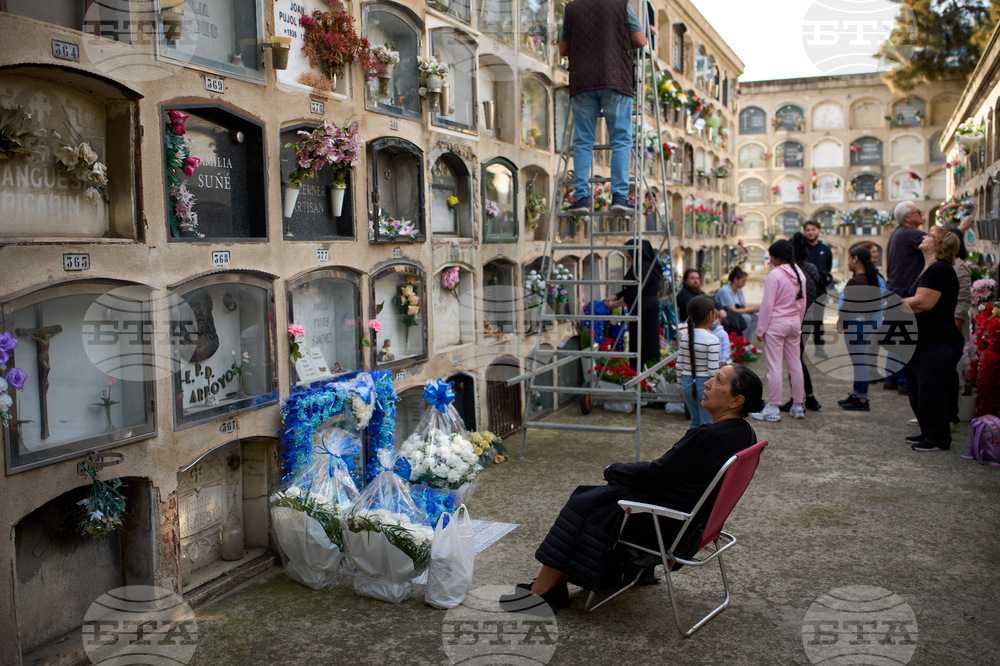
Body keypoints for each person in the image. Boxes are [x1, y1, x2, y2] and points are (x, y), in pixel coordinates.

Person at [499, 364, 765, 613]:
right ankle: (565, 579)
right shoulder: (744, 434)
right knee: (598, 498)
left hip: (667, 527)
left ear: (736, 400)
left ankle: (543, 592)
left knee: (585, 502)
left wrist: (612, 469)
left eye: (717, 381)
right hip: (695, 525)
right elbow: (666, 474)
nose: (706, 383)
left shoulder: (707, 437)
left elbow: (655, 474)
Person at [559, 0, 646, 216]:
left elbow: (562, 49)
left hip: (582, 82)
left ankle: (580, 198)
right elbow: (640, 40)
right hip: (615, 78)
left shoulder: (571, 8)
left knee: (583, 141)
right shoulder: (620, 4)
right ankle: (619, 197)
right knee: (620, 139)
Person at [901, 227, 963, 452]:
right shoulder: (929, 268)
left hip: (937, 342)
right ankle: (928, 432)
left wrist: (892, 304)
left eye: (930, 235)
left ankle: (938, 438)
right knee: (919, 391)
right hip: (923, 341)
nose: (924, 237)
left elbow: (922, 303)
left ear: (939, 244)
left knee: (931, 392)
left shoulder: (939, 269)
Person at [751, 240, 807, 422]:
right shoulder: (799, 273)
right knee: (795, 364)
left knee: (774, 366)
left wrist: (761, 329)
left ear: (775, 256)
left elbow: (767, 305)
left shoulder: (774, 275)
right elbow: (803, 303)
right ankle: (798, 405)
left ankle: (773, 407)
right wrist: (798, 322)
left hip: (776, 324)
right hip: (794, 323)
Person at [884, 201, 926, 393]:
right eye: (918, 212)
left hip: (895, 289)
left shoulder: (898, 233)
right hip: (906, 291)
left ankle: (891, 378)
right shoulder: (912, 235)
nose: (922, 213)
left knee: (896, 336)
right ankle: (903, 381)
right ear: (908, 217)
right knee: (905, 337)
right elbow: (942, 242)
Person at [780, 232, 823, 413]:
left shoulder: (794, 273)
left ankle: (800, 398)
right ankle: (809, 397)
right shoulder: (812, 268)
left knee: (794, 360)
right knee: (797, 358)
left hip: (797, 319)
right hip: (810, 317)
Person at [605, 239, 663, 371]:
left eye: (629, 251)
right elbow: (630, 289)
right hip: (641, 308)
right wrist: (615, 296)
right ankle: (642, 374)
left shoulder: (644, 268)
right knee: (640, 342)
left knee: (644, 343)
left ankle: (643, 376)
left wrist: (615, 304)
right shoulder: (641, 265)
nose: (627, 255)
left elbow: (634, 293)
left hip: (645, 310)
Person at [836, 246, 882, 412]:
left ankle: (862, 397)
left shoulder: (855, 281)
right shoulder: (871, 279)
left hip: (854, 324)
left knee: (859, 362)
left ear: (855, 259)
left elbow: (847, 306)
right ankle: (857, 394)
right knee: (860, 361)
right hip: (866, 322)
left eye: (849, 259)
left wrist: (840, 322)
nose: (848, 262)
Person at [675, 295, 719, 428]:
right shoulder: (712, 340)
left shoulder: (686, 337)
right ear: (711, 315)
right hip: (705, 385)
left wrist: (680, 386)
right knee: (707, 424)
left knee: (695, 422)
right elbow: (712, 370)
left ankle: (694, 447)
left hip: (686, 384)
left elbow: (679, 365)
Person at [943, 225, 972, 424]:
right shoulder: (942, 264)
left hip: (951, 327)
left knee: (951, 371)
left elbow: (962, 300)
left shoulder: (959, 267)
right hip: (942, 326)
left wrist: (954, 326)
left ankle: (950, 416)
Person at [802, 220, 833, 358]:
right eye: (808, 230)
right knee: (803, 319)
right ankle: (800, 348)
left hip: (819, 289)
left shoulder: (825, 249)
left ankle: (819, 346)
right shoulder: (802, 249)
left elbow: (828, 267)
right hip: (803, 290)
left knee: (818, 319)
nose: (810, 232)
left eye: (813, 229)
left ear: (818, 231)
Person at [714, 266, 758, 340]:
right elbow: (732, 310)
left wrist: (752, 311)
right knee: (746, 318)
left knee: (755, 316)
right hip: (726, 314)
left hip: (735, 313)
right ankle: (742, 342)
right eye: (743, 281)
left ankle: (749, 343)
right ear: (736, 279)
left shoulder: (739, 290)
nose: (744, 284)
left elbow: (744, 305)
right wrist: (753, 309)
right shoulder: (725, 291)